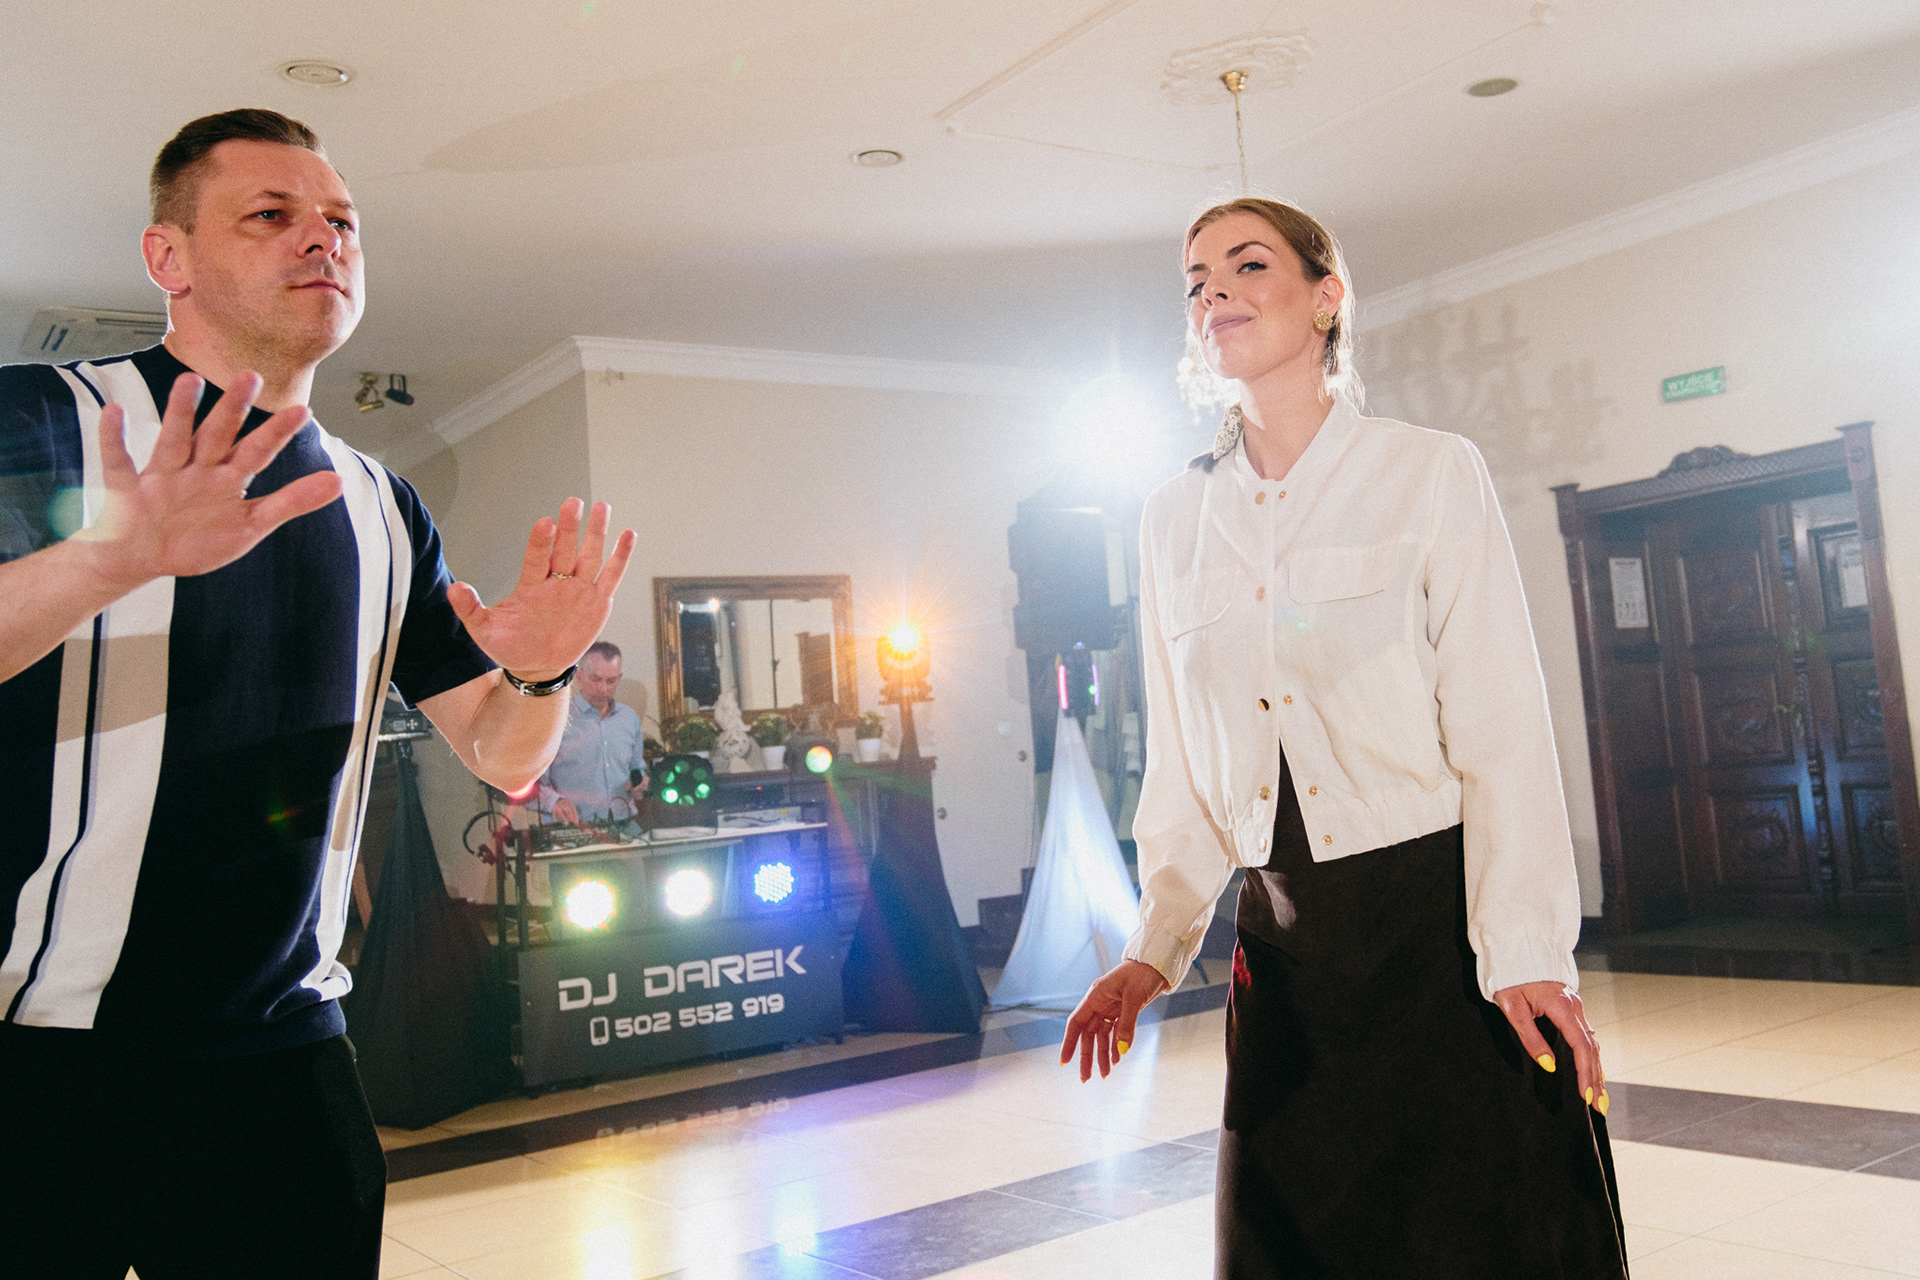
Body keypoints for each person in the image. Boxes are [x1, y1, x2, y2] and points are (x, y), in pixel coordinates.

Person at [0, 109, 637, 1280]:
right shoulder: (43, 417)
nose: (323, 239)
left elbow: (503, 752)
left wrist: (541, 669)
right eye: (271, 214)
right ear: (168, 256)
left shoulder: (382, 504)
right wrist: (104, 559)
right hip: (35, 1052)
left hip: (279, 1055)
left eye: (342, 220)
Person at [1060, 198, 1627, 1278]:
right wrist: (1153, 946)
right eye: (1196, 281)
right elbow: (1182, 758)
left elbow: (1501, 726)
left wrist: (1525, 951)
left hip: (1437, 933)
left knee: (1483, 1236)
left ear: (1327, 298)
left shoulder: (1430, 471)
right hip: (1282, 951)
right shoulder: (1170, 518)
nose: (1213, 293)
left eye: (1246, 265)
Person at [538, 639, 650, 824]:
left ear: (619, 678)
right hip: (574, 827)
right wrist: (555, 802)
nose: (603, 689)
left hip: (625, 823)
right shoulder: (555, 720)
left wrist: (640, 782)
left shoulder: (629, 718)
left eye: (611, 681)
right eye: (596, 679)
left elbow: (636, 767)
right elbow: (532, 784)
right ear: (579, 676)